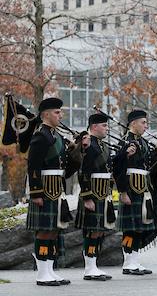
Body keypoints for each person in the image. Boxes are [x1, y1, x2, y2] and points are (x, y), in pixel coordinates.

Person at [26, 97, 81, 286]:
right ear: (46, 114)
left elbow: (66, 169)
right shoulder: (40, 135)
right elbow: (33, 166)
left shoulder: (56, 136)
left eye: (60, 112)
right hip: (45, 187)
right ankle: (42, 273)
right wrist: (36, 192)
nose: (60, 115)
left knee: (54, 230)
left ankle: (50, 270)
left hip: (57, 187)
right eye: (57, 112)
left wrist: (76, 152)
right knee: (44, 231)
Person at [112, 109, 157, 275]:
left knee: (139, 227)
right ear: (133, 124)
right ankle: (127, 262)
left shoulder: (144, 143)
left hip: (144, 189)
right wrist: (122, 192)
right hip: (131, 188)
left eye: (146, 122)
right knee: (130, 228)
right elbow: (118, 168)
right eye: (143, 122)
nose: (146, 126)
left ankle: (135, 261)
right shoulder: (125, 141)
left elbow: (150, 166)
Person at [75, 113, 115, 280]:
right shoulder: (88, 145)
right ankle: (89, 268)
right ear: (93, 127)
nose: (107, 128)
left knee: (99, 231)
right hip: (93, 193)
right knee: (92, 231)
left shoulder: (103, 145)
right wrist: (87, 197)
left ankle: (94, 265)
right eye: (104, 126)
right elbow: (83, 171)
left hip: (103, 193)